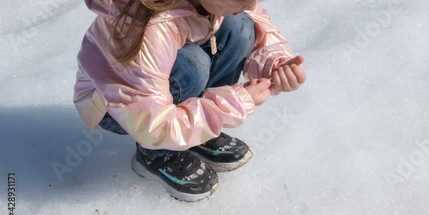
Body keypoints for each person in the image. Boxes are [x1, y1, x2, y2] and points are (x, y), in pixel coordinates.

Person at [74, 0, 306, 201]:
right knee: (192, 66)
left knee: (241, 26)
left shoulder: (221, 5)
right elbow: (151, 125)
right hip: (119, 110)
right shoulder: (149, 28)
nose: (250, 4)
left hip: (151, 90)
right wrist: (234, 103)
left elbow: (257, 22)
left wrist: (275, 65)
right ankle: (157, 155)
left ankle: (194, 130)